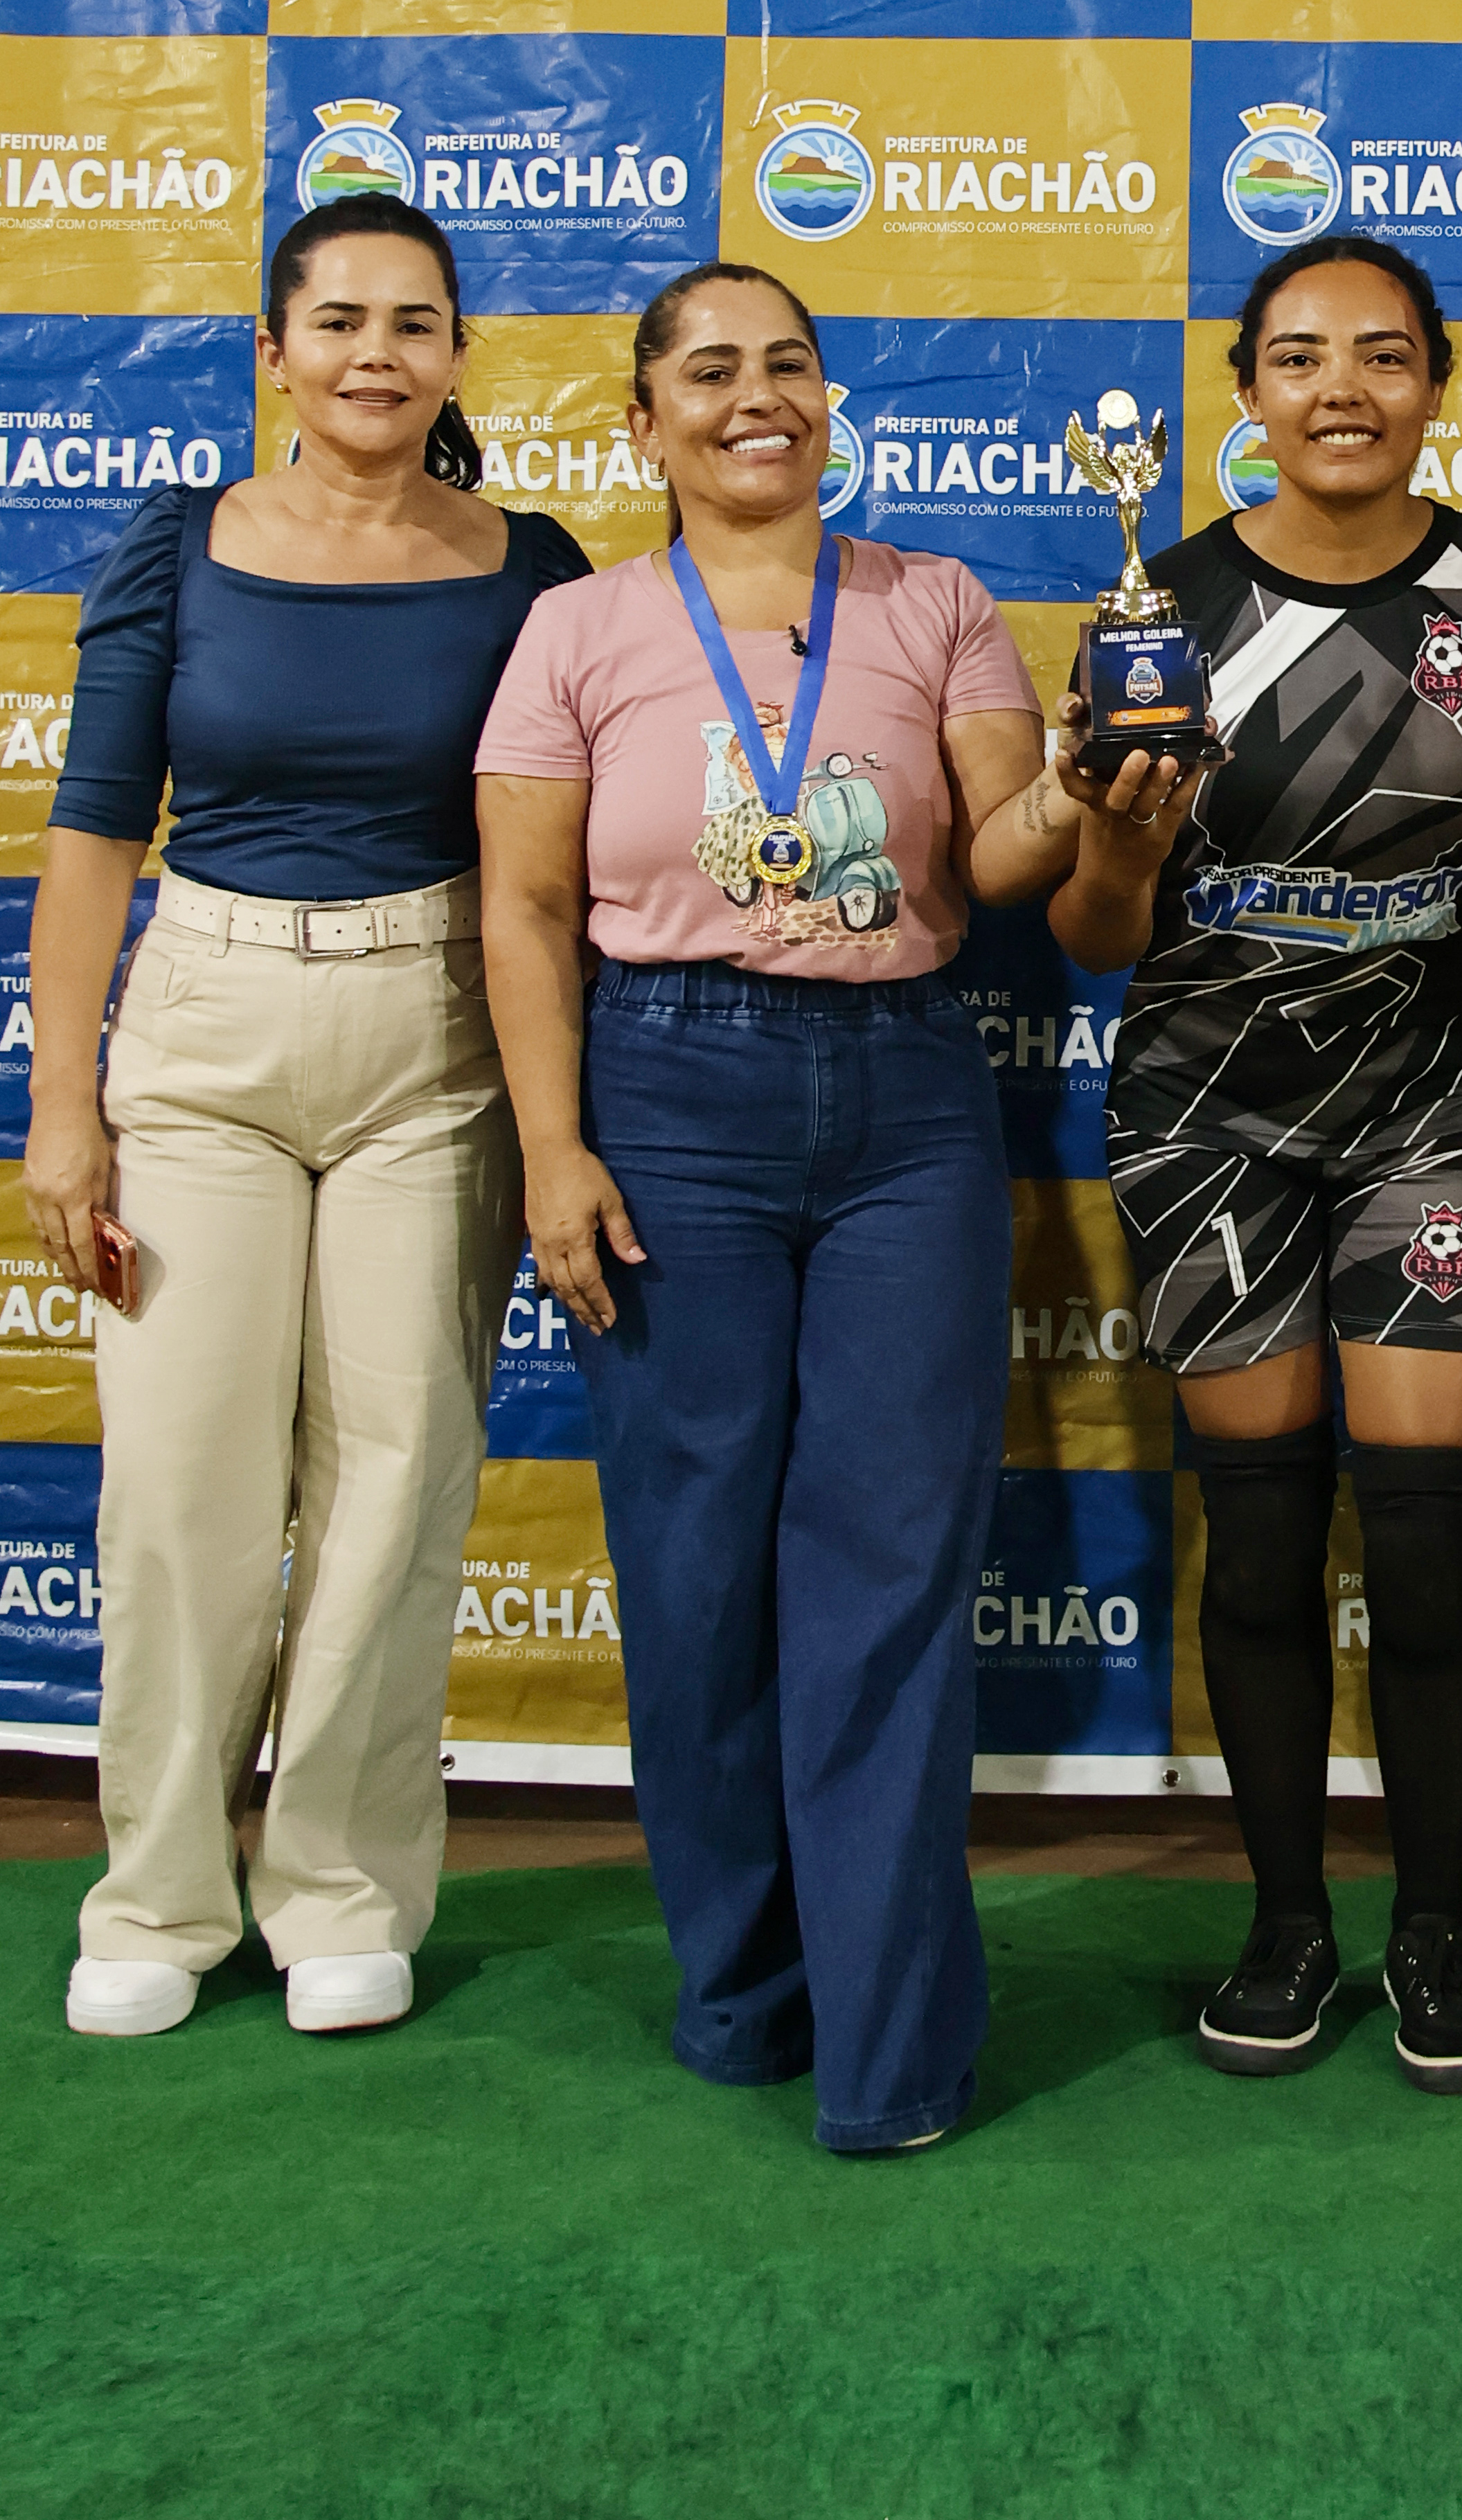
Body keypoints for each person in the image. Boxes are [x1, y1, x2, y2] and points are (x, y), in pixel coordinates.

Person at [477, 262, 1075, 2155]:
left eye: (793, 366)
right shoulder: (578, 626)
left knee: (891, 1576)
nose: (761, 398)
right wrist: (555, 1147)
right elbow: (524, 909)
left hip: (905, 1087)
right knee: (693, 1564)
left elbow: (1000, 857)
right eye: (714, 372)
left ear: (833, 403)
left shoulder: (934, 603)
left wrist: (1110, 789)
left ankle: (894, 2053)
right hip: (663, 1089)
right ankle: (742, 1995)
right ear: (642, 420)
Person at [26, 194, 590, 2041]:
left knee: (397, 1483)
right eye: (337, 320)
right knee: (184, 1492)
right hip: (204, 1036)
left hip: (439, 1042)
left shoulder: (531, 563)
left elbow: (549, 868)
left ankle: (338, 1885)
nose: (376, 354)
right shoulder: (182, 547)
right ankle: (161, 1896)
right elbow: (98, 836)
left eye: (415, 324)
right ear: (274, 352)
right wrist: (65, 1110)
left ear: (453, 360)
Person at [1049, 233, 1462, 2091]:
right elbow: (1103, 931)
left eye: (1381, 354)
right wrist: (1121, 841)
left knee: (1430, 1550)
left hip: (1434, 1102)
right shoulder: (1158, 603)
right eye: (1299, 357)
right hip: (1207, 1116)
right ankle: (1288, 1925)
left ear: (1439, 379)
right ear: (1245, 394)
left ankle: (1434, 1933)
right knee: (1263, 1538)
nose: (1340, 388)